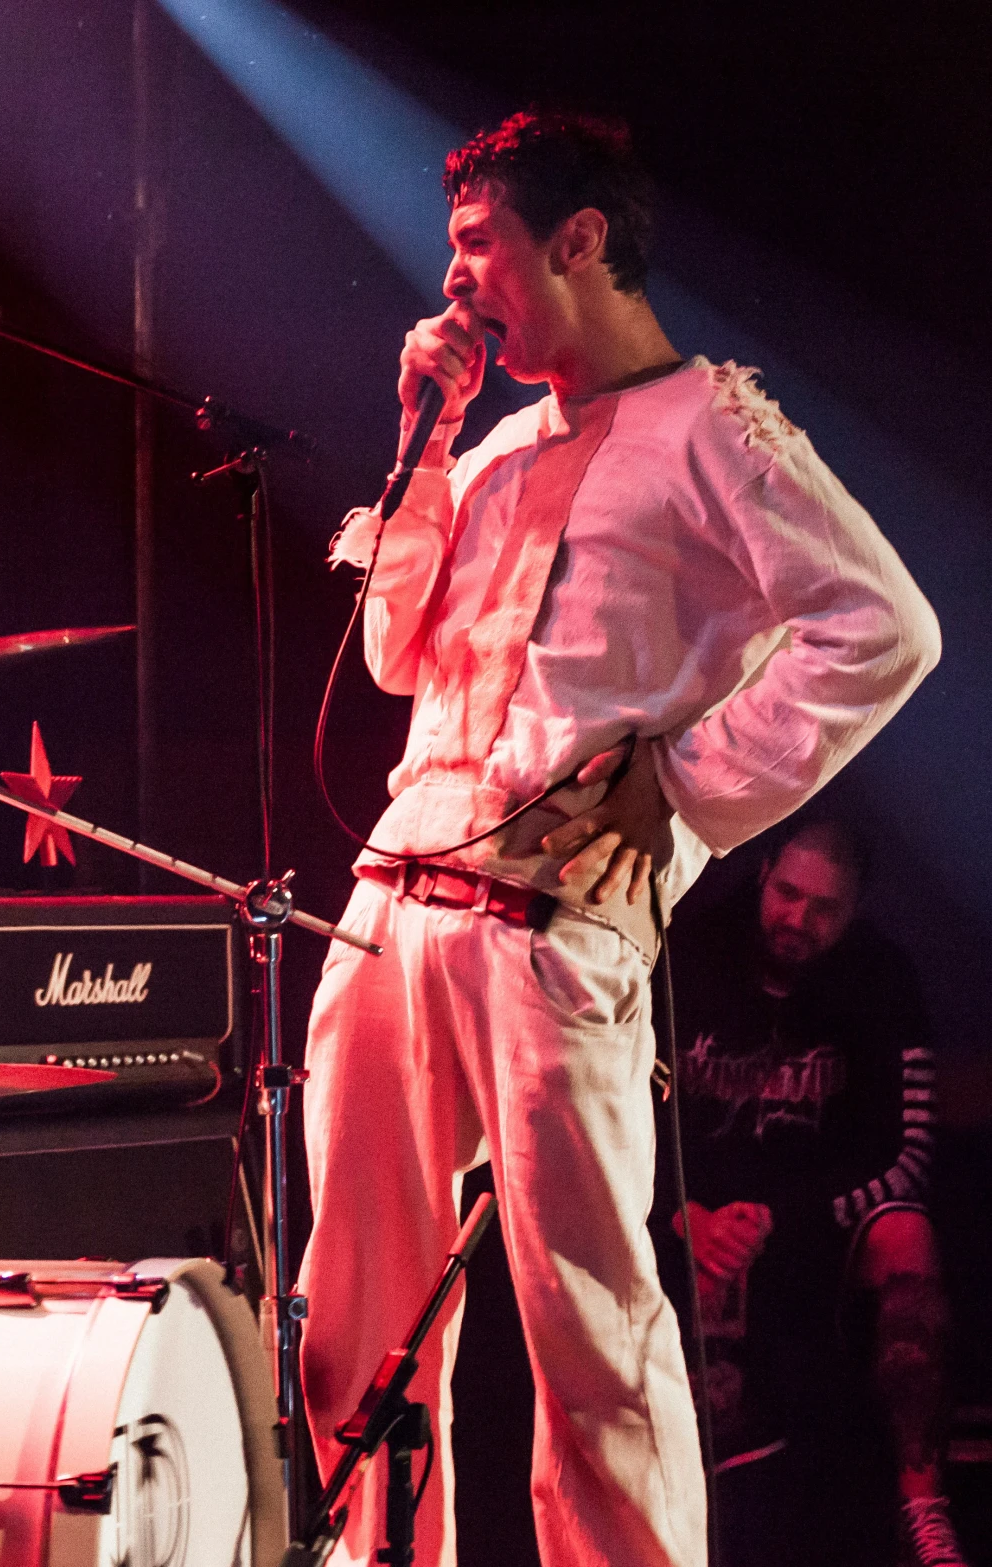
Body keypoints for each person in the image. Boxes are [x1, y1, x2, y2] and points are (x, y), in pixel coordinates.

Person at [298, 109, 940, 1567]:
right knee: (356, 1311)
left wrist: (688, 779)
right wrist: (426, 438)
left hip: (548, 925)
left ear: (575, 239)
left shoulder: (710, 422)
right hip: (394, 904)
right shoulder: (499, 443)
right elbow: (397, 656)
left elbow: (881, 625)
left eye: (477, 246)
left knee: (587, 1325)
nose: (454, 281)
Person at [663, 818, 968, 1567]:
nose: (798, 918)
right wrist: (678, 1212)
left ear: (855, 905)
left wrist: (782, 1219)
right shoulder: (686, 956)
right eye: (788, 893)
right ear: (763, 873)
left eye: (823, 906)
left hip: (811, 1219)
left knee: (907, 1239)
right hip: (686, 1210)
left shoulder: (881, 978)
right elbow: (617, 1107)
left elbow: (908, 1153)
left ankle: (921, 1502)